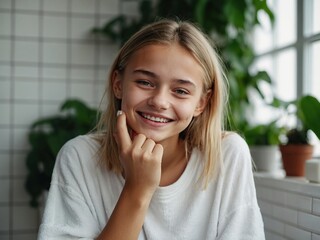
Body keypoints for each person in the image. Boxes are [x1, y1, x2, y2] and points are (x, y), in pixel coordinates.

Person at [38, 19, 265, 240]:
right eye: (145, 83)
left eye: (181, 91)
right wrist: (137, 189)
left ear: (201, 103)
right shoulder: (79, 156)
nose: (159, 101)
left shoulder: (227, 155)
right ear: (118, 84)